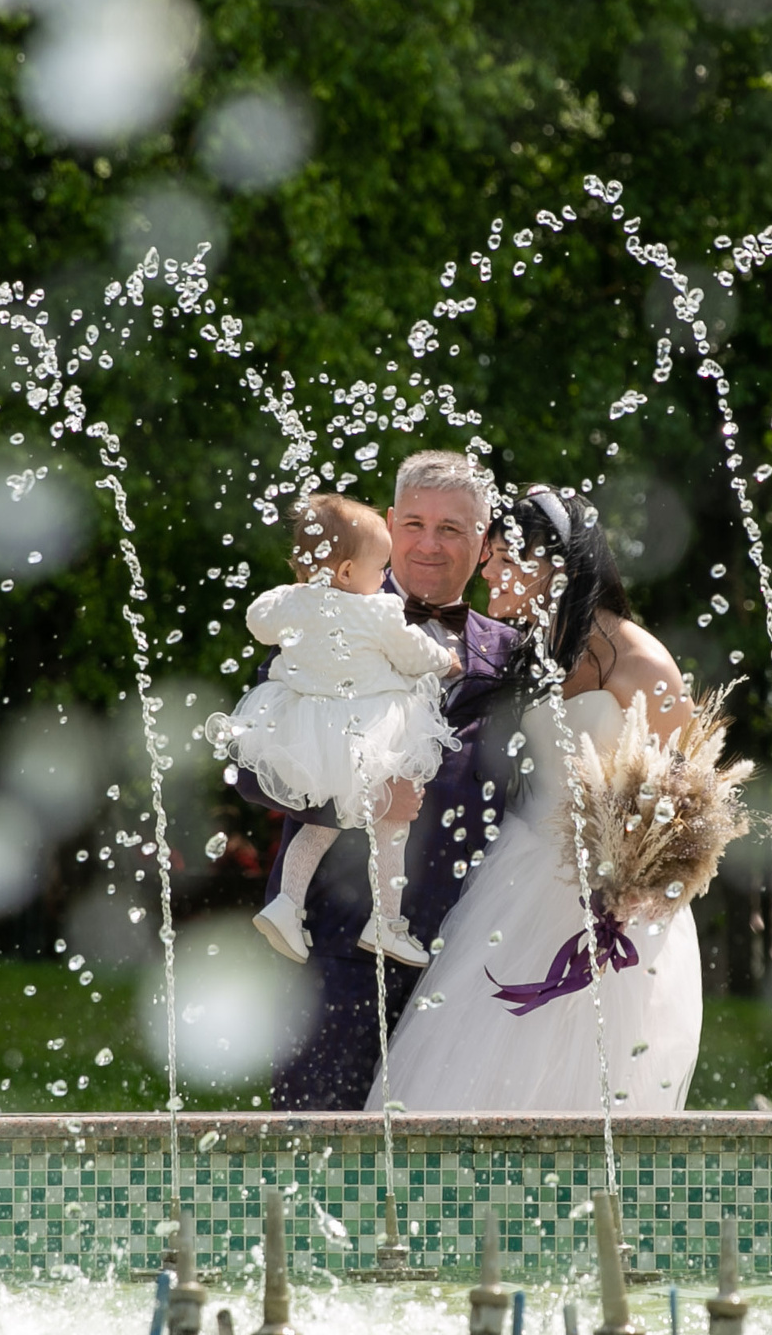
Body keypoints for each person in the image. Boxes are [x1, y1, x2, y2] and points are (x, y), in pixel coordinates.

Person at [365, 485, 743, 1113]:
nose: (489, 569)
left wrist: (629, 882)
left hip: (613, 904)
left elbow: (690, 804)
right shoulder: (531, 652)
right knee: (468, 1062)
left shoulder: (641, 661)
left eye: (506, 558)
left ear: (556, 566)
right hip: (511, 886)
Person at [231, 450, 523, 1109]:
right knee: (316, 1153)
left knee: (448, 1177)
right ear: (389, 526)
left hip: (465, 958)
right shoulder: (317, 615)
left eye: (452, 528)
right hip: (332, 951)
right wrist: (356, 796)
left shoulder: (511, 658)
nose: (428, 543)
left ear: (483, 544)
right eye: (414, 523)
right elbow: (255, 770)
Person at [214, 493, 459, 969]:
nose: (384, 577)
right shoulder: (378, 610)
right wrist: (445, 660)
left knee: (317, 825)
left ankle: (287, 904)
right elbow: (413, 656)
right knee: (393, 825)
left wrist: (297, 592)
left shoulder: (291, 603)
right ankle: (387, 923)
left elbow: (257, 621)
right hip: (373, 734)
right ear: (347, 573)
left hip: (308, 734)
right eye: (379, 567)